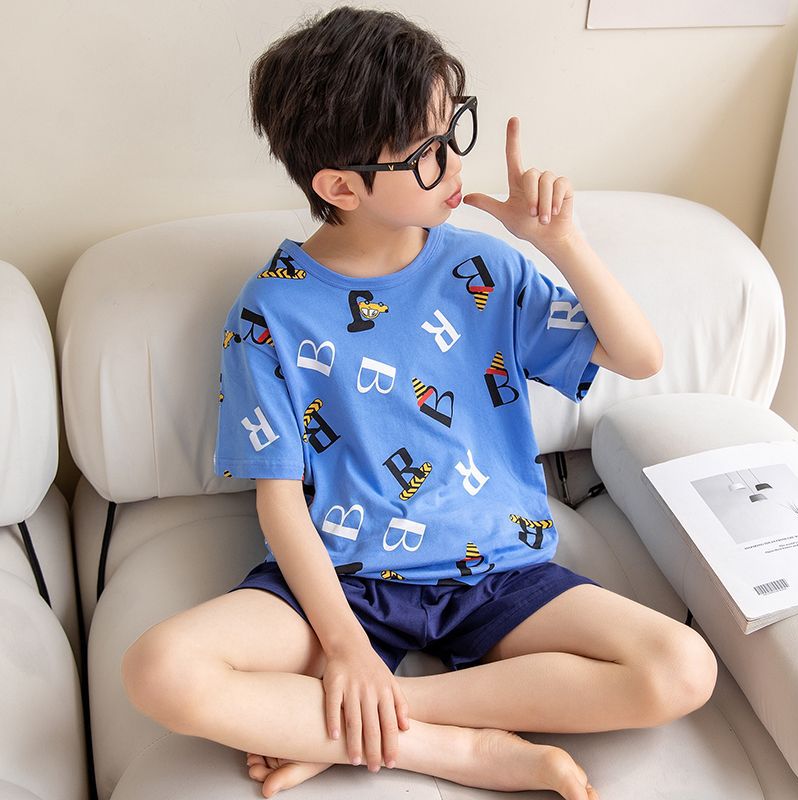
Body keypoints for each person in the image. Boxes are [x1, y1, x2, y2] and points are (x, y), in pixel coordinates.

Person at [120, 7, 718, 800]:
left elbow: (639, 358)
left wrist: (560, 242)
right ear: (341, 186)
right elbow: (279, 501)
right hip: (346, 580)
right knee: (159, 669)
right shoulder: (272, 311)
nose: (455, 164)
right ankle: (456, 751)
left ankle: (383, 721)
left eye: (453, 130)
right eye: (428, 153)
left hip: (496, 567)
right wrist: (344, 647)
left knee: (682, 667)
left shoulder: (484, 270)